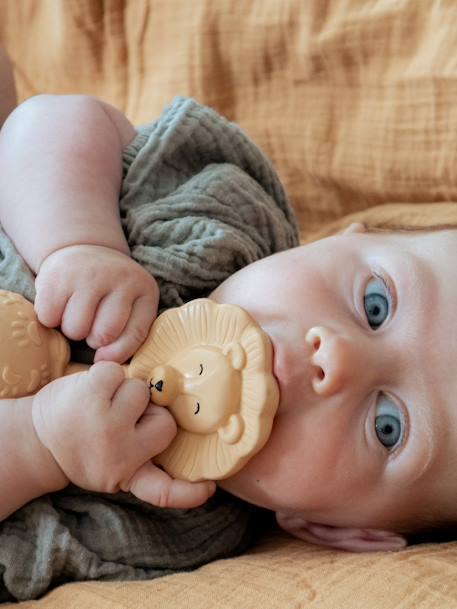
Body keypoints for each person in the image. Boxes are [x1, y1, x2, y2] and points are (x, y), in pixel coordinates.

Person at [0, 72, 456, 556]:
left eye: (389, 427)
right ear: (347, 240)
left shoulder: (170, 526)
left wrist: (40, 446)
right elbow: (44, 121)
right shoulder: (226, 220)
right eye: (376, 305)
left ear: (340, 529)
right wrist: (77, 241)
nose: (337, 359)